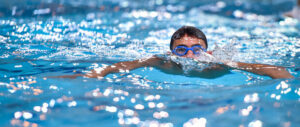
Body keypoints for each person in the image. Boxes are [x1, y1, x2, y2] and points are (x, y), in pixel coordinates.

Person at [57, 26, 294, 79]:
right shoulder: (164, 63)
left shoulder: (218, 64)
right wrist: (95, 74)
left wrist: (285, 78)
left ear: (207, 52)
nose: (190, 56)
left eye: (196, 50)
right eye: (181, 50)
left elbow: (272, 69)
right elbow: (124, 65)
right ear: (172, 52)